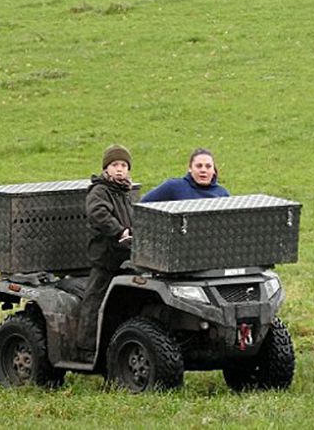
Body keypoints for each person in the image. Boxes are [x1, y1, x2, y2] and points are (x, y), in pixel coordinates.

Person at [77, 144, 135, 360]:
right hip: (106, 257)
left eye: (123, 165)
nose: (119, 169)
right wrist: (119, 231)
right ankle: (86, 348)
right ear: (106, 169)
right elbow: (97, 214)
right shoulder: (100, 191)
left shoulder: (125, 193)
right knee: (94, 300)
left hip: (125, 257)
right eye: (114, 165)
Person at [141, 148, 229, 202]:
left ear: (214, 170)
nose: (203, 170)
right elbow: (143, 206)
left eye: (208, 166)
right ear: (190, 168)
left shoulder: (222, 193)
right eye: (199, 166)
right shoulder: (173, 187)